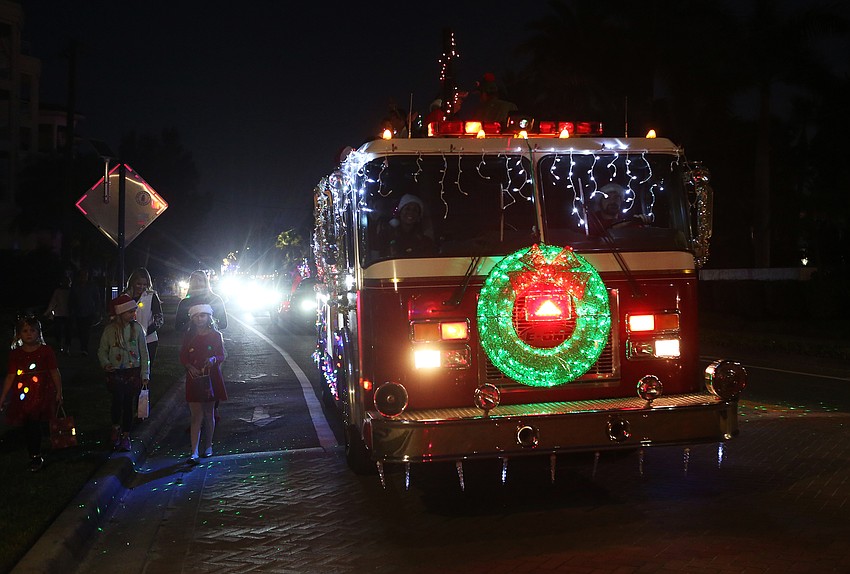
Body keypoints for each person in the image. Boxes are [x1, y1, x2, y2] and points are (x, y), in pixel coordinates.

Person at [0, 315, 63, 472]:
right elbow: (11, 375)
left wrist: (59, 391)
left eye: (33, 330)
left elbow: (54, 371)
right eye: (25, 330)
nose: (29, 334)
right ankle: (34, 453)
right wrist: (3, 396)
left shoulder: (45, 351)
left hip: (42, 392)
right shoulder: (16, 354)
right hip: (24, 394)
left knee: (37, 422)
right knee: (29, 423)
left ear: (38, 333)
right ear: (19, 334)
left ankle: (38, 450)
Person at [98, 294, 150, 452]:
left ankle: (126, 434)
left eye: (134, 311)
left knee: (128, 403)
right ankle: (115, 427)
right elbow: (102, 350)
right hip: (116, 372)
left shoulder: (137, 329)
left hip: (132, 372)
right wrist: (106, 364)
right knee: (117, 401)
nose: (133, 314)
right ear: (121, 313)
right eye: (130, 312)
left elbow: (144, 352)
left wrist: (145, 374)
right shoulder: (110, 331)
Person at [180, 304, 227, 465]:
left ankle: (208, 445)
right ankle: (193, 451)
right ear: (191, 318)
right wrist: (189, 366)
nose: (199, 319)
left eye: (203, 315)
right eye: (196, 316)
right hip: (194, 377)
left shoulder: (216, 335)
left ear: (209, 317)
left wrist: (214, 359)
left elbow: (221, 354)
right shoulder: (189, 336)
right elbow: (183, 356)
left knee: (209, 413)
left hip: (210, 377)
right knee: (195, 415)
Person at [122, 268, 164, 364]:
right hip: (127, 339)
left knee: (146, 369)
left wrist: (145, 332)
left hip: (149, 340)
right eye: (138, 284)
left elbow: (159, 319)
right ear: (132, 282)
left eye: (144, 284)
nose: (141, 287)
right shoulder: (124, 297)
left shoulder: (151, 296)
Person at [69, 268, 101, 356]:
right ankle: (82, 346)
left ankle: (84, 347)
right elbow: (72, 299)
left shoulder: (92, 286)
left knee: (86, 330)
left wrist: (97, 310)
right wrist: (71, 309)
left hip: (89, 311)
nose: (84, 277)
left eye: (85, 275)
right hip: (78, 311)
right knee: (80, 329)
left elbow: (97, 298)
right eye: (82, 276)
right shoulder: (75, 286)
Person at [44, 275, 72, 354]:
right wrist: (47, 312)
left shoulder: (69, 291)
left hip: (65, 314)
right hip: (60, 314)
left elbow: (53, 303)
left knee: (66, 332)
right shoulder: (59, 291)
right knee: (61, 331)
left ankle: (65, 346)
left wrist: (47, 313)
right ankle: (62, 346)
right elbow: (53, 303)